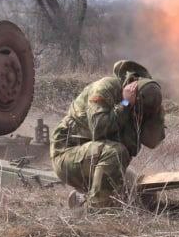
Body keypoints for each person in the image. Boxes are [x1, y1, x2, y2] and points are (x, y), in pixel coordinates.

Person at [50, 60, 166, 208]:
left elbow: (152, 141)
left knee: (144, 196)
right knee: (116, 152)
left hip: (99, 158)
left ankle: (81, 199)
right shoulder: (105, 88)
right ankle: (97, 211)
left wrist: (157, 113)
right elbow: (99, 128)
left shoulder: (143, 106)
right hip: (68, 155)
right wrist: (125, 104)